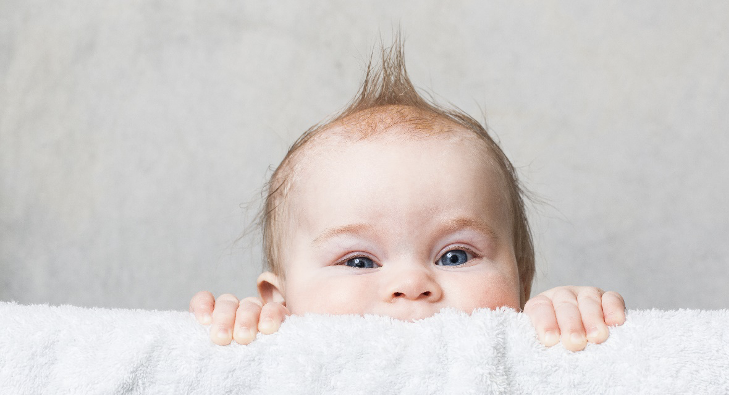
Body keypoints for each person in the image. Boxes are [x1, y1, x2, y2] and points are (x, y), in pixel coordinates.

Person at [189, 41, 626, 351]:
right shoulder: (272, 352)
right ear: (280, 300)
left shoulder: (532, 352)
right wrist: (241, 340)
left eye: (455, 256)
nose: (411, 285)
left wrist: (572, 323)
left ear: (522, 282)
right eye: (358, 262)